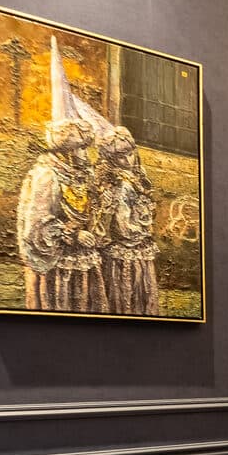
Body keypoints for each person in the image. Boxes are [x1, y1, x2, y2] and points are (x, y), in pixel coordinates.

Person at [13, 119, 103, 313]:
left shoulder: (80, 175)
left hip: (82, 259)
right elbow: (36, 222)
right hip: (58, 264)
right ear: (66, 150)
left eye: (85, 148)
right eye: (81, 148)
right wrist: (73, 235)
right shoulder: (46, 176)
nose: (86, 154)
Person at [95, 124, 159, 316]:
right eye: (121, 156)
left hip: (137, 244)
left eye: (130, 154)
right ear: (111, 159)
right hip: (125, 249)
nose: (127, 160)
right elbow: (123, 225)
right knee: (126, 293)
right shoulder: (121, 183)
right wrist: (142, 231)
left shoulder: (136, 177)